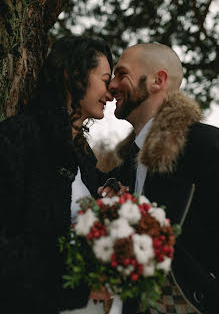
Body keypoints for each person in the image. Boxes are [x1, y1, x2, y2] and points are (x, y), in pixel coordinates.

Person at [78, 43, 219, 314]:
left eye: (121, 74)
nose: (112, 86)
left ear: (158, 81)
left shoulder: (205, 145)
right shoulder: (127, 164)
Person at [0, 35, 115, 314]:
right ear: (73, 75)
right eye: (104, 79)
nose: (111, 93)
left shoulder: (85, 158)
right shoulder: (19, 137)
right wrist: (77, 287)